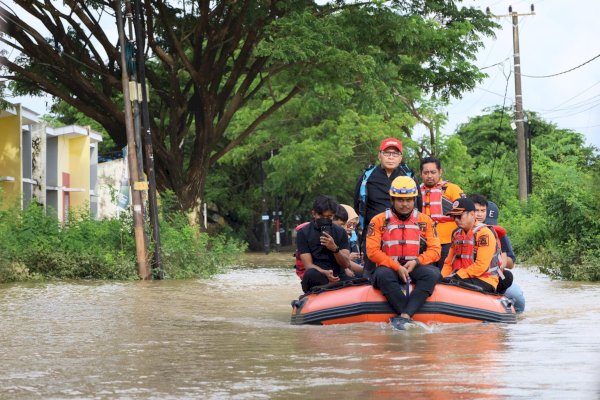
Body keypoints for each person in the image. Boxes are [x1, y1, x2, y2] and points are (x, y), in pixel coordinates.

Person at [366, 176, 441, 330]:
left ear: (414, 200)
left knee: (432, 274)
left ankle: (405, 316)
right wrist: (395, 266)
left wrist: (417, 262)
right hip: (389, 266)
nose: (405, 204)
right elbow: (372, 252)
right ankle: (408, 313)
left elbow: (435, 250)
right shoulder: (378, 221)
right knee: (382, 275)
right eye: (400, 200)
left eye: (408, 200)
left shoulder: (425, 221)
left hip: (415, 265)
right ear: (392, 200)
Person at [353, 137, 420, 270]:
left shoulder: (408, 176)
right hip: (373, 231)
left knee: (405, 272)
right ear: (379, 155)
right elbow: (357, 203)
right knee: (372, 272)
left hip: (403, 231)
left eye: (395, 154)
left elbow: (418, 205)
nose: (391, 157)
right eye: (387, 153)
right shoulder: (368, 176)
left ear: (400, 158)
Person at [441, 197, 502, 293]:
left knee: (452, 281)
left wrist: (456, 276)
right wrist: (442, 278)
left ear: (472, 214)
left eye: (459, 216)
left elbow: (481, 265)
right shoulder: (457, 234)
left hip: (484, 279)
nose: (456, 220)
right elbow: (448, 262)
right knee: (438, 278)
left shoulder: (484, 234)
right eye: (454, 216)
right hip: (462, 276)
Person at [296, 195, 351, 293]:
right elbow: (308, 265)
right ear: (314, 214)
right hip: (318, 276)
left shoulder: (341, 232)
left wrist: (335, 249)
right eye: (321, 216)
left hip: (338, 275)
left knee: (362, 279)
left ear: (333, 216)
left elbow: (346, 264)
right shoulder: (303, 233)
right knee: (310, 274)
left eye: (329, 217)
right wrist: (324, 272)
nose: (325, 219)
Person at [419, 157, 466, 269]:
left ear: (440, 172)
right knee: (426, 272)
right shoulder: (416, 191)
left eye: (433, 172)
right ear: (421, 174)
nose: (429, 176)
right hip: (424, 240)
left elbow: (466, 212)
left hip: (448, 240)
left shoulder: (452, 189)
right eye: (426, 172)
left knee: (445, 271)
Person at [485, 200, 526, 313]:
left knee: (517, 297)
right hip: (476, 275)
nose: (488, 227)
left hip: (496, 275)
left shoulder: (500, 235)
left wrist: (497, 257)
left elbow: (511, 263)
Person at [332, 204, 364, 277]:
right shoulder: (335, 234)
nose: (351, 227)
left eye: (354, 225)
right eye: (349, 224)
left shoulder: (353, 236)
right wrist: (348, 258)